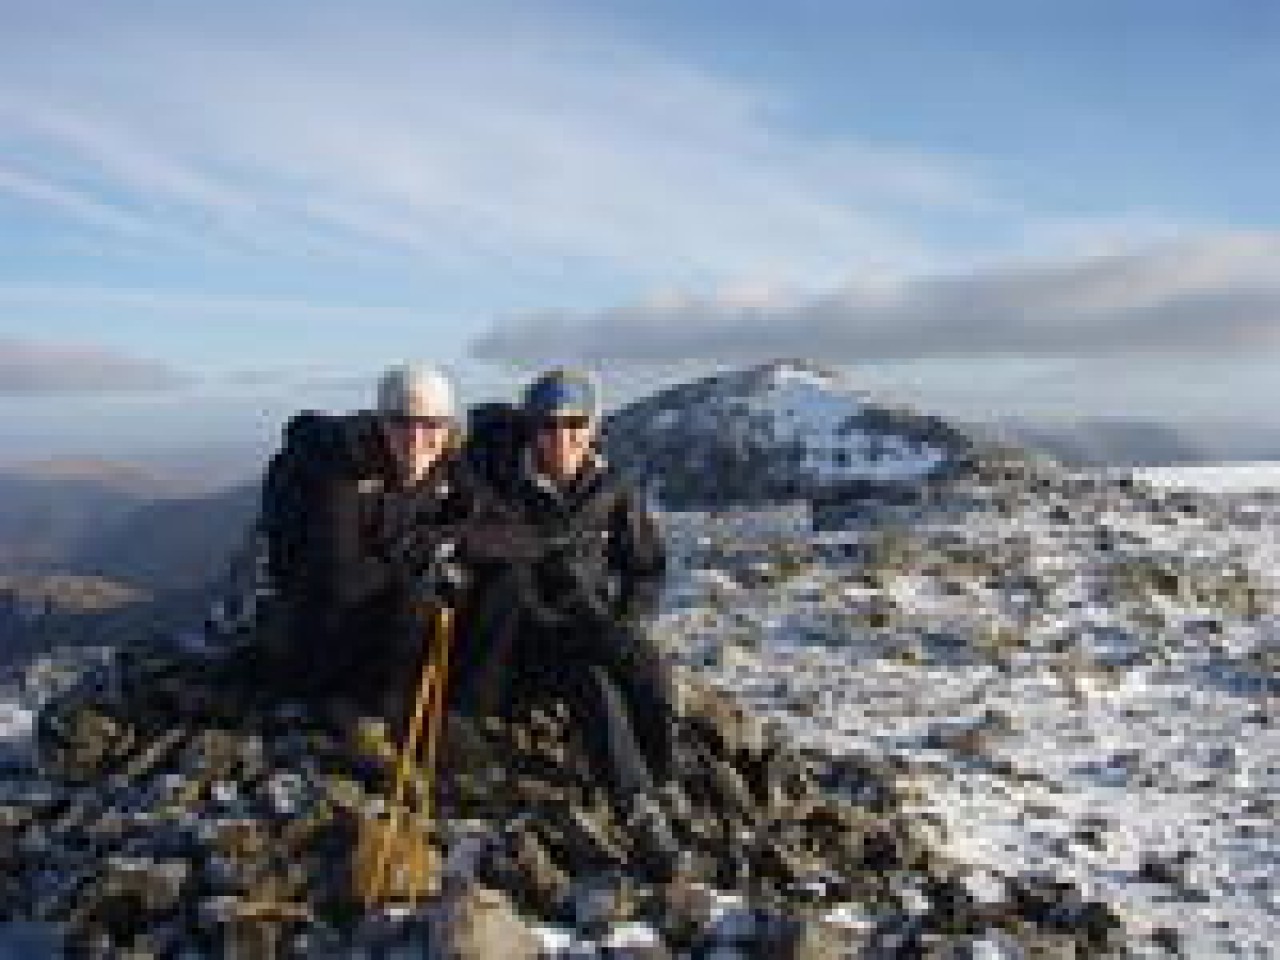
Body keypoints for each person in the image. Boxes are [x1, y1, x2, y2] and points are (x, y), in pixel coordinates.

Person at [462, 369, 677, 862]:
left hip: (591, 625)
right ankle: (639, 812)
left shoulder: (612, 489)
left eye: (574, 424)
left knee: (647, 671)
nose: (561, 438)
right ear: (529, 429)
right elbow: (475, 541)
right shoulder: (498, 481)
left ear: (593, 427)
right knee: (593, 684)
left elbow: (645, 567)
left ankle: (660, 781)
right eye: (547, 425)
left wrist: (626, 619)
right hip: (519, 640)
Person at [267, 363, 477, 730]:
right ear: (381, 424)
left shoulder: (446, 467)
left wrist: (437, 540)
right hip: (322, 629)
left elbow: (502, 527)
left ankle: (438, 709)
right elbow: (341, 579)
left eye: (431, 424)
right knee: (417, 597)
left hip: (377, 623)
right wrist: (416, 553)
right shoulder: (342, 475)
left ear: (448, 429)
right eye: (401, 422)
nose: (416, 437)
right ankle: (369, 718)